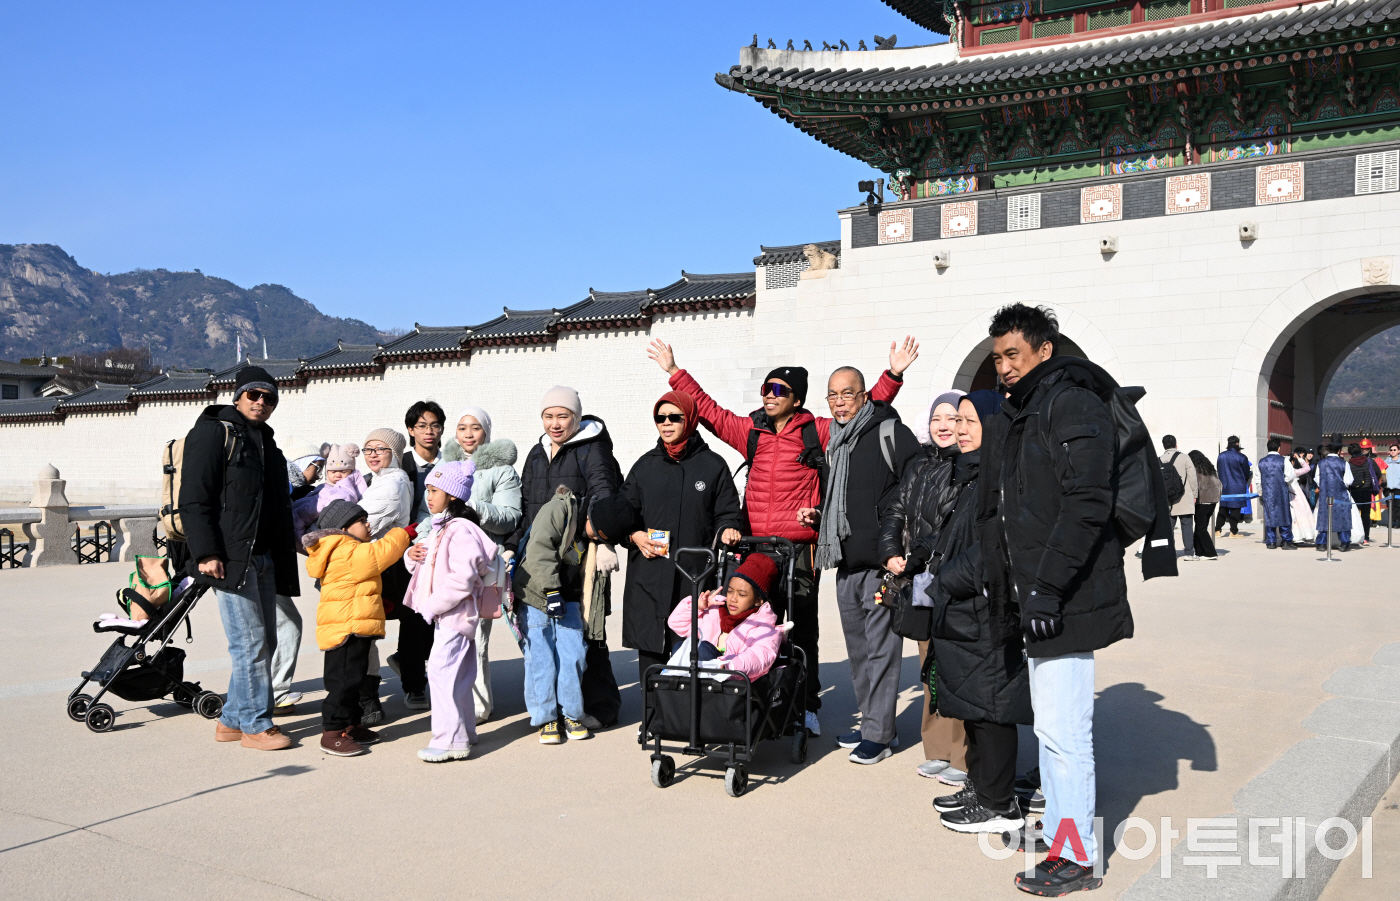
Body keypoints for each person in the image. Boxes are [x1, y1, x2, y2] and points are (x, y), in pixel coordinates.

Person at [648, 336, 921, 737]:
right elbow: (710, 412)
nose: (770, 395)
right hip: (756, 550)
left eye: (780, 390)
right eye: (767, 388)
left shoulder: (818, 431)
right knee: (748, 626)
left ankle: (805, 706)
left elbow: (861, 412)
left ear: (798, 399)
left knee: (800, 630)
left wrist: (892, 375)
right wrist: (674, 371)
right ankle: (754, 701)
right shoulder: (751, 431)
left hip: (798, 551)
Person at [977, 304, 1132, 896]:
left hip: (1065, 595)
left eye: (1013, 354)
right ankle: (1066, 831)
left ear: (1044, 350)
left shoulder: (1071, 402)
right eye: (997, 357)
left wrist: (1047, 587)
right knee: (1051, 727)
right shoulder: (1022, 410)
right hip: (1036, 595)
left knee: (1066, 732)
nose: (1004, 367)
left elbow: (1088, 501)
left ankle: (1078, 855)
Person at [802, 364, 919, 765]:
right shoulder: (836, 443)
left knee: (882, 651)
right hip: (847, 562)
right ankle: (873, 722)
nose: (839, 402)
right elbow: (842, 502)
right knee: (859, 653)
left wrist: (898, 539)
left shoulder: (890, 432)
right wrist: (821, 516)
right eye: (832, 395)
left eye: (847, 394)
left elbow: (917, 486)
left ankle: (880, 736)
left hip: (883, 564)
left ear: (864, 396)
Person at [178, 365, 299, 750]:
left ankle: (230, 720)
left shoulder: (265, 440)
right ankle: (255, 725)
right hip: (231, 559)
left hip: (264, 557)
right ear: (238, 395)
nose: (261, 402)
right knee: (249, 643)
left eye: (270, 398)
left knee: (265, 642)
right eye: (254, 394)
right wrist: (206, 552)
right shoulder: (214, 432)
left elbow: (277, 501)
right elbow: (193, 499)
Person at [928, 390, 1031, 835]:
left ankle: (999, 803)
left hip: (985, 610)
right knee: (975, 708)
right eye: (959, 420)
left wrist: (946, 580)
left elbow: (996, 547)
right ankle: (981, 785)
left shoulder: (1003, 475)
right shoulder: (972, 472)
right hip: (963, 611)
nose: (961, 429)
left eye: (971, 421)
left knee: (992, 709)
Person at [507, 385, 624, 730]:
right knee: (541, 636)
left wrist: (604, 539)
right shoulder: (536, 453)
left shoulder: (593, 449)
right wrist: (513, 546)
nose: (555, 424)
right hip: (539, 558)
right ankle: (555, 708)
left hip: (578, 556)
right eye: (548, 416)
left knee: (586, 631)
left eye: (563, 416)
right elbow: (527, 508)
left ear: (576, 416)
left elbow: (605, 495)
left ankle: (600, 707)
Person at [620, 390, 743, 686]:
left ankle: (686, 710)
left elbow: (728, 513)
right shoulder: (645, 466)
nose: (666, 423)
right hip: (649, 574)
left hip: (694, 576)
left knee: (691, 651)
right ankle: (652, 711)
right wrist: (634, 535)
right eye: (660, 418)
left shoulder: (712, 465)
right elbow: (623, 514)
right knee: (651, 653)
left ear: (689, 420)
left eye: (674, 417)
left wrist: (728, 528)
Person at [878, 390, 969, 783]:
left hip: (957, 578)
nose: (943, 426)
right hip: (920, 577)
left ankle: (963, 756)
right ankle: (938, 749)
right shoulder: (919, 465)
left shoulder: (972, 465)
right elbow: (896, 510)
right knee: (929, 662)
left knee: (959, 666)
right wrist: (890, 551)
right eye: (937, 418)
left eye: (952, 417)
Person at [403, 462, 506, 763]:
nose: (428, 497)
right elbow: (428, 563)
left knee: (442, 674)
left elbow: (463, 578)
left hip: (455, 614)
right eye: (427, 490)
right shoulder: (443, 526)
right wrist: (412, 555)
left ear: (452, 495)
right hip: (451, 615)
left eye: (434, 491)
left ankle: (449, 740)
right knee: (457, 675)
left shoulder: (459, 529)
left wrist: (432, 605)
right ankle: (464, 733)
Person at [513, 488, 632, 744]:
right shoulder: (556, 510)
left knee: (574, 656)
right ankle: (546, 718)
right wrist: (552, 591)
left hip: (569, 599)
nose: (595, 539)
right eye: (596, 534)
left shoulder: (592, 532)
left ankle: (571, 714)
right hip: (535, 594)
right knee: (541, 659)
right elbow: (539, 550)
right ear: (590, 518)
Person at [302, 500, 411, 757]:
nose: (368, 525)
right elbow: (380, 554)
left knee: (355, 679)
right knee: (343, 683)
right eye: (362, 521)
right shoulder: (346, 549)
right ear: (344, 528)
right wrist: (403, 533)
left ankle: (351, 725)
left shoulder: (345, 548)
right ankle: (332, 732)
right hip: (346, 630)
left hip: (353, 625)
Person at [440, 406, 521, 724]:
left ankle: (477, 707)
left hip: (484, 565)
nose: (468, 434)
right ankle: (456, 700)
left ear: (486, 431)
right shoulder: (445, 467)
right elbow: (428, 511)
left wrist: (474, 507)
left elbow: (510, 517)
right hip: (447, 563)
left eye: (475, 427)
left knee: (476, 637)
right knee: (449, 635)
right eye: (462, 428)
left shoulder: (502, 470)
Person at [359, 427, 422, 721]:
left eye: (380, 449)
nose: (373, 454)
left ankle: (370, 700)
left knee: (366, 632)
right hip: (382, 562)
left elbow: (359, 524)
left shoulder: (392, 483)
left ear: (395, 453)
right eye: (368, 449)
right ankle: (402, 684)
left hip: (382, 565)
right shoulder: (378, 480)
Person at [666, 553, 784, 680]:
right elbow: (676, 622)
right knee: (680, 647)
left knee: (702, 648)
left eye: (741, 594)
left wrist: (727, 665)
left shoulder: (765, 628)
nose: (733, 598)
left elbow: (758, 658)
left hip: (730, 681)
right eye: (730, 591)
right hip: (700, 675)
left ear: (758, 600)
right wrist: (697, 607)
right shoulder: (715, 611)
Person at [292, 443, 366, 541]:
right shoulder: (323, 488)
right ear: (327, 472)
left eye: (343, 472)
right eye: (333, 472)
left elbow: (305, 513)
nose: (338, 475)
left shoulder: (343, 491)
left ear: (351, 472)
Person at [401, 400, 446, 526]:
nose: (429, 431)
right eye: (422, 426)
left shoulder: (451, 464)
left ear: (442, 429)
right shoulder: (401, 465)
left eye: (435, 425)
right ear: (411, 430)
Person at [1159, 435, 1198, 559]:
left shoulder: (1159, 460)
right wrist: (1195, 494)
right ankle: (1189, 553)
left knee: (1168, 528)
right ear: (1176, 444)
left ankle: (1169, 553)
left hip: (1167, 499)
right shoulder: (1185, 458)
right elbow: (1192, 477)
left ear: (1163, 446)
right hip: (1184, 497)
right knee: (1187, 526)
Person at [1258, 438, 1299, 550]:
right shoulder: (1283, 460)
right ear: (1279, 448)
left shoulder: (1261, 461)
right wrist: (1283, 482)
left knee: (1269, 515)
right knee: (1284, 515)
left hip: (1267, 492)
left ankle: (1271, 542)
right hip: (1281, 491)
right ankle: (1286, 541)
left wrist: (1260, 490)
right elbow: (1290, 475)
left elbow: (1258, 478)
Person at [1315, 444, 1355, 551]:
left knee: (1324, 518)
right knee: (1342, 518)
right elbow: (1348, 480)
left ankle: (1321, 543)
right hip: (1340, 494)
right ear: (1339, 451)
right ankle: (1344, 543)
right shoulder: (1344, 463)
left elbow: (1317, 479)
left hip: (1325, 494)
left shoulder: (1321, 463)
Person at [1215, 437, 1252, 538]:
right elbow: (1246, 473)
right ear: (1237, 444)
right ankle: (1233, 531)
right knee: (1236, 509)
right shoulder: (1242, 457)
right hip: (1237, 486)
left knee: (1223, 508)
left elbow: (1218, 470)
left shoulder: (1221, 456)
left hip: (1224, 485)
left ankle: (1217, 530)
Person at [1348, 441, 1383, 546]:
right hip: (1366, 490)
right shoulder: (1369, 461)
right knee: (1366, 515)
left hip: (1354, 490)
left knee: (1354, 515)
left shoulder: (1348, 463)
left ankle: (1355, 537)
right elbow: (1378, 473)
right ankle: (1366, 538)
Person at [1189, 451, 1221, 561]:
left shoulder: (1196, 470)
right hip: (1213, 501)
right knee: (1201, 527)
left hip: (1203, 501)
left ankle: (1210, 552)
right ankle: (1199, 551)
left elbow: (1195, 485)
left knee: (1200, 528)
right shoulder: (1209, 469)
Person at [1288, 450, 1317, 545]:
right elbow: (1307, 468)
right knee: (1301, 513)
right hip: (1296, 494)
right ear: (1292, 462)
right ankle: (1303, 535)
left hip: (1287, 494)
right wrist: (1299, 458)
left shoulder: (1282, 472)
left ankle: (1291, 535)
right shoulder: (1294, 472)